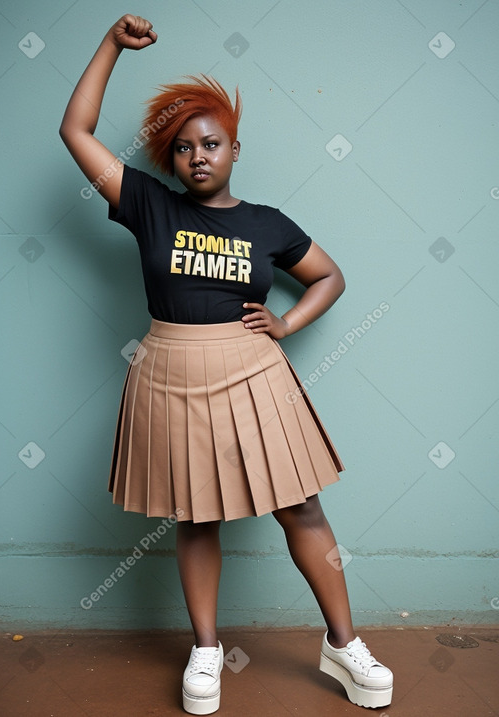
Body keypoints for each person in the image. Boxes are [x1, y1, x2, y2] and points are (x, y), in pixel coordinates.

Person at [59, 14, 393, 716]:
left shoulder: (268, 223)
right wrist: (111, 46)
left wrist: (288, 320)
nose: (198, 156)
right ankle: (206, 648)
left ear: (235, 148)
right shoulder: (147, 204)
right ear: (170, 161)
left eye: (211, 143)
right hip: (170, 368)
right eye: (183, 148)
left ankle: (342, 642)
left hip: (252, 369)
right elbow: (76, 132)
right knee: (195, 513)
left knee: (300, 504)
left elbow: (330, 277)